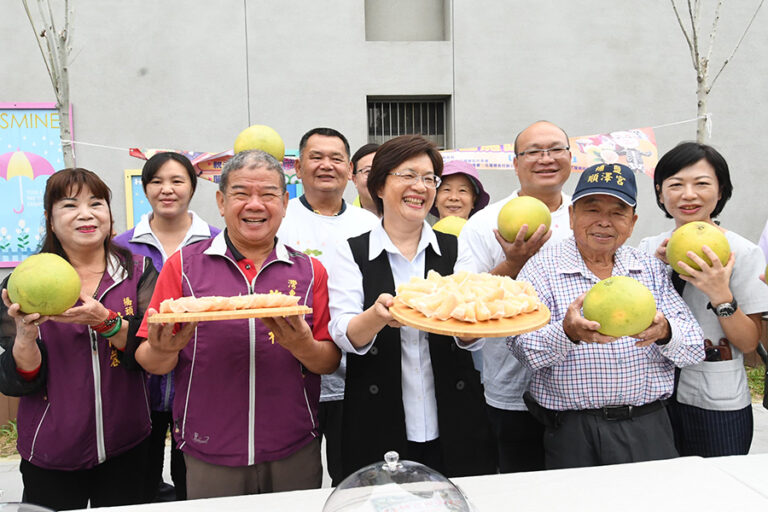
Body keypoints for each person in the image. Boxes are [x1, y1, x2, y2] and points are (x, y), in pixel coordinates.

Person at [135, 150, 340, 499]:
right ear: (221, 201)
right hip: (208, 446)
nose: (255, 205)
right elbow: (150, 360)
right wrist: (163, 349)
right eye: (242, 194)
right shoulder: (183, 266)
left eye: (268, 194)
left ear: (285, 203)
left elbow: (328, 360)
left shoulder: (309, 271)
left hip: (293, 444)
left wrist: (301, 345)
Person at [508, 163, 705, 469]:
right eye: (592, 210)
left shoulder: (650, 269)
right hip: (571, 430)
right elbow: (522, 349)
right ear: (572, 216)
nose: (604, 222)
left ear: (633, 221)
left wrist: (665, 332)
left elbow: (693, 348)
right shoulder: (541, 269)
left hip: (647, 425)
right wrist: (568, 333)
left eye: (617, 212)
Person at [328, 134, 495, 479]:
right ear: (378, 185)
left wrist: (469, 318)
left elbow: (472, 331)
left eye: (429, 178)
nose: (420, 186)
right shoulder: (351, 251)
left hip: (454, 415)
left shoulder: (454, 248)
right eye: (407, 175)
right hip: (377, 417)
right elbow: (344, 332)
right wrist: (377, 315)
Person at [0, 168, 157, 510]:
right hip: (50, 450)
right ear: (51, 220)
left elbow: (151, 348)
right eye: (70, 205)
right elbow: (21, 380)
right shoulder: (23, 284)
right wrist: (26, 336)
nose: (86, 214)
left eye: (96, 203)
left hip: (128, 444)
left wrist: (106, 322)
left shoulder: (138, 272)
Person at [455, 120, 573, 473]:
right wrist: (513, 263)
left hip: (580, 389)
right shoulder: (484, 223)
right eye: (534, 152)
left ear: (571, 157)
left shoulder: (587, 216)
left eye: (555, 149)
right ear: (516, 162)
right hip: (511, 389)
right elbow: (464, 311)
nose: (546, 159)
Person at [639, 142, 768, 456]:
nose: (688, 195)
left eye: (701, 184)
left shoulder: (743, 252)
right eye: (675, 185)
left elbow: (750, 343)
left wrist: (719, 292)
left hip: (716, 401)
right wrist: (655, 268)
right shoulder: (646, 248)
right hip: (652, 400)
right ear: (659, 193)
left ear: (720, 192)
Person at [114, 152, 220, 501]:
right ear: (144, 188)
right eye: (157, 181)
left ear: (192, 187)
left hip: (199, 383)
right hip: (136, 384)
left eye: (177, 181)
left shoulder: (218, 242)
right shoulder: (121, 247)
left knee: (191, 481)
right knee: (138, 483)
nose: (167, 189)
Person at [277, 128, 378, 486]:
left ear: (350, 170)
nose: (326, 165)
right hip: (293, 370)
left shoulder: (370, 224)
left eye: (336, 158)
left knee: (351, 477)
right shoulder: (280, 221)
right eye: (315, 157)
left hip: (357, 374)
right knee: (296, 479)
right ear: (298, 167)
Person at [350, 143, 379, 216]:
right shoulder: (344, 221)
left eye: (381, 170)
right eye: (368, 171)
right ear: (355, 180)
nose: (376, 178)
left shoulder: (407, 218)